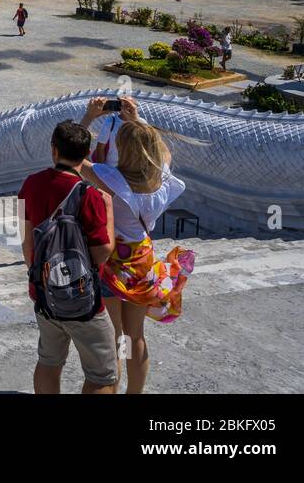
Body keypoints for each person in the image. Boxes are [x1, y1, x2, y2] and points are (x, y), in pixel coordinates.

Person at [77, 101, 192, 393]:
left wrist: (90, 116)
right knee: (135, 336)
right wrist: (138, 119)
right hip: (142, 262)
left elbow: (72, 156)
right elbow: (163, 152)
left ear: (123, 150)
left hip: (114, 264)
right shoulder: (161, 180)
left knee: (115, 338)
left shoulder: (114, 180)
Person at [18, 120, 118, 394]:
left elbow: (27, 243)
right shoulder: (90, 195)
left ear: (53, 150)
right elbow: (101, 253)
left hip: (43, 293)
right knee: (102, 375)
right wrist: (108, 209)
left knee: (49, 362)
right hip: (83, 299)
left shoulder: (30, 184)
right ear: (86, 155)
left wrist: (41, 280)